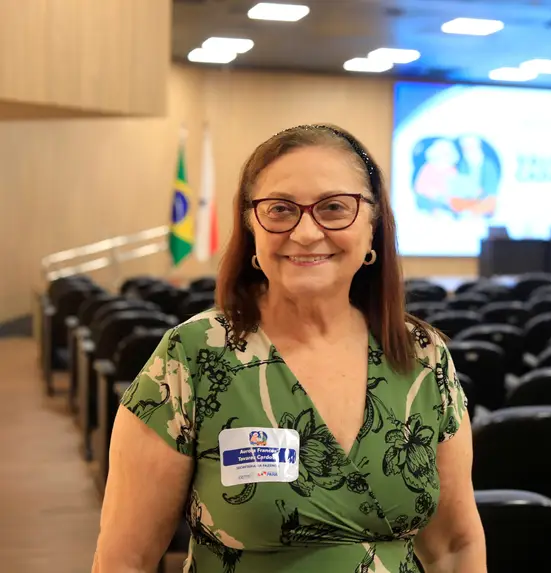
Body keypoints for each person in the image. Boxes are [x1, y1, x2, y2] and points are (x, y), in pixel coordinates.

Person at [92, 124, 486, 572]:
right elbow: (125, 560)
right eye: (280, 209)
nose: (306, 232)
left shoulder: (423, 356)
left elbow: (455, 547)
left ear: (373, 225)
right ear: (251, 227)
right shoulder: (193, 357)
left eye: (334, 207)